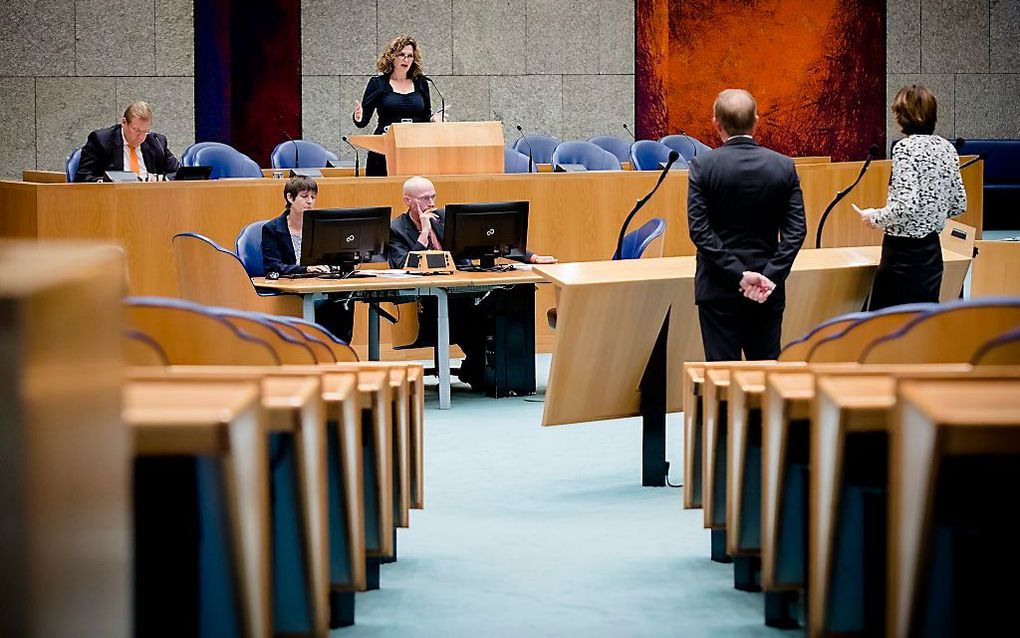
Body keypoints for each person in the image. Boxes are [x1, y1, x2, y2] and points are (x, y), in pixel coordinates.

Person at [388, 176, 556, 388]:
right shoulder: (396, 229)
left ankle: (488, 370)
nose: (431, 203)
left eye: (433, 197)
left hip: (461, 289)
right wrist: (423, 234)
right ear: (408, 201)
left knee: (500, 300)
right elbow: (403, 264)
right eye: (424, 198)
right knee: (468, 313)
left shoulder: (444, 218)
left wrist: (532, 258)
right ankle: (479, 369)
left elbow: (489, 243)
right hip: (426, 300)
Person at [687, 88, 806, 361]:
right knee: (764, 378)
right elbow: (796, 231)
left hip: (719, 288)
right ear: (757, 120)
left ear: (715, 123)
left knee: (723, 380)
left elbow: (700, 231)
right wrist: (769, 276)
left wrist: (738, 274)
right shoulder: (783, 166)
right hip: (767, 291)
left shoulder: (703, 166)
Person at [854, 85, 967, 310]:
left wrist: (874, 217)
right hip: (932, 253)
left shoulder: (905, 148)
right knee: (920, 325)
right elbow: (959, 203)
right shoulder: (947, 148)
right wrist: (930, 213)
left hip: (902, 255)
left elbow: (906, 204)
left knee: (888, 322)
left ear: (903, 116)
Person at [261, 176, 354, 342]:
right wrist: (306, 270)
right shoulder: (272, 229)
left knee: (345, 297)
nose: (310, 202)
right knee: (329, 305)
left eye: (313, 197)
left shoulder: (322, 226)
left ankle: (339, 349)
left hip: (319, 285)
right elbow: (273, 266)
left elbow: (333, 259)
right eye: (304, 197)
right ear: (290, 198)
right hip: (291, 291)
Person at [352, 36, 447, 177]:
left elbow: (425, 116)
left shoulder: (421, 82)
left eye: (410, 56)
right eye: (401, 55)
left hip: (415, 148)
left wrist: (433, 120)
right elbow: (363, 121)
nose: (406, 59)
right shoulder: (378, 83)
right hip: (385, 147)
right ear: (392, 57)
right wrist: (358, 117)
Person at [74, 101, 180, 182]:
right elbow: (82, 177)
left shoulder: (157, 141)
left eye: (145, 131)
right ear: (124, 122)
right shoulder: (101, 140)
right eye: (136, 130)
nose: (141, 136)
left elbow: (179, 173)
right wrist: (109, 182)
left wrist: (159, 179)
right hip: (115, 200)